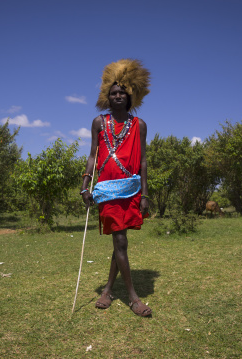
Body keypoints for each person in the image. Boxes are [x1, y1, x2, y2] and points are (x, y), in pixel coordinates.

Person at [80, 59, 152, 317]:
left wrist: (144, 193)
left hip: (131, 191)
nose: (118, 95)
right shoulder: (99, 122)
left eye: (122, 91)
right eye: (113, 92)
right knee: (120, 240)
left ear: (130, 95)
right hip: (107, 191)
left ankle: (108, 290)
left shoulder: (139, 125)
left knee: (120, 242)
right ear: (107, 98)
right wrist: (85, 185)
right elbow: (92, 155)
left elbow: (143, 160)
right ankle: (133, 298)